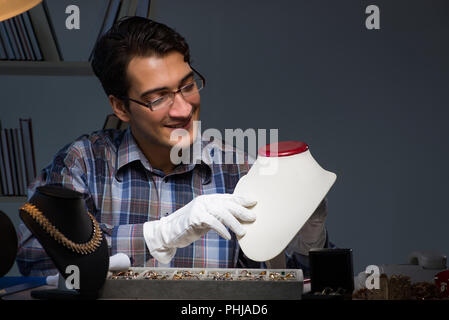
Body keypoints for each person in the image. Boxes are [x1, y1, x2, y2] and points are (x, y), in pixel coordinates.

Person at [16, 17, 332, 277]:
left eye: (188, 86)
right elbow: (34, 257)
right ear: (121, 107)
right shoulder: (83, 163)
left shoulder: (240, 169)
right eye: (158, 97)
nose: (182, 109)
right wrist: (161, 235)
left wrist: (309, 237)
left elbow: (287, 284)